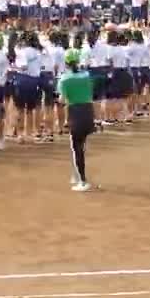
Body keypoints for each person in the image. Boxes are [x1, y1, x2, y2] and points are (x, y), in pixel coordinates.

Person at [58, 48, 96, 192]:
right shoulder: (86, 75)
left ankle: (82, 180)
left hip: (76, 112)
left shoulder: (65, 79)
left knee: (76, 149)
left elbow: (62, 99)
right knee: (81, 145)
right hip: (88, 110)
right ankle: (77, 175)